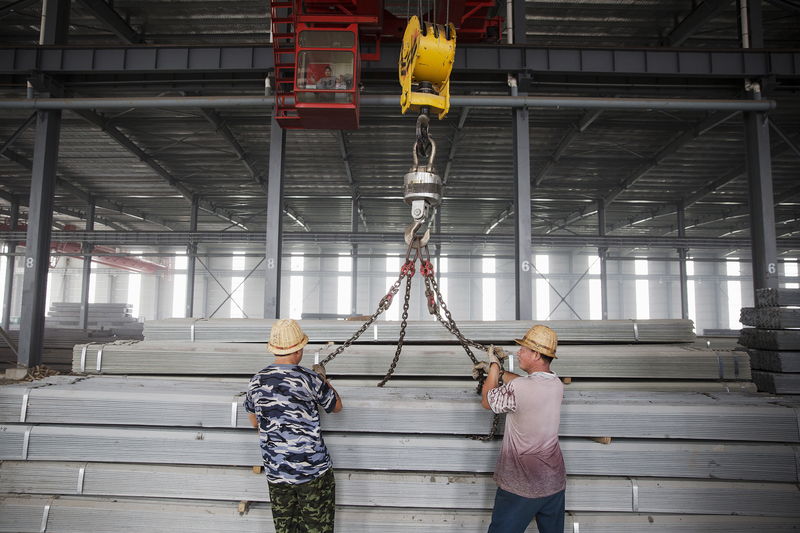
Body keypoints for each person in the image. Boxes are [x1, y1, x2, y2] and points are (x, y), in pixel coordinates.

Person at [245, 318, 343, 533]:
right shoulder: (310, 379)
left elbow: (254, 421)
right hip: (313, 473)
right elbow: (336, 407)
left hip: (277, 473)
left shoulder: (256, 380)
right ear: (299, 350)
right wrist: (324, 381)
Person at [474, 324, 566, 533]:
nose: (518, 352)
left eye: (523, 349)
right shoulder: (555, 383)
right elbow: (527, 384)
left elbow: (488, 401)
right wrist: (502, 373)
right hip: (553, 483)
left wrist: (494, 367)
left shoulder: (520, 388)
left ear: (535, 355)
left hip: (521, 485)